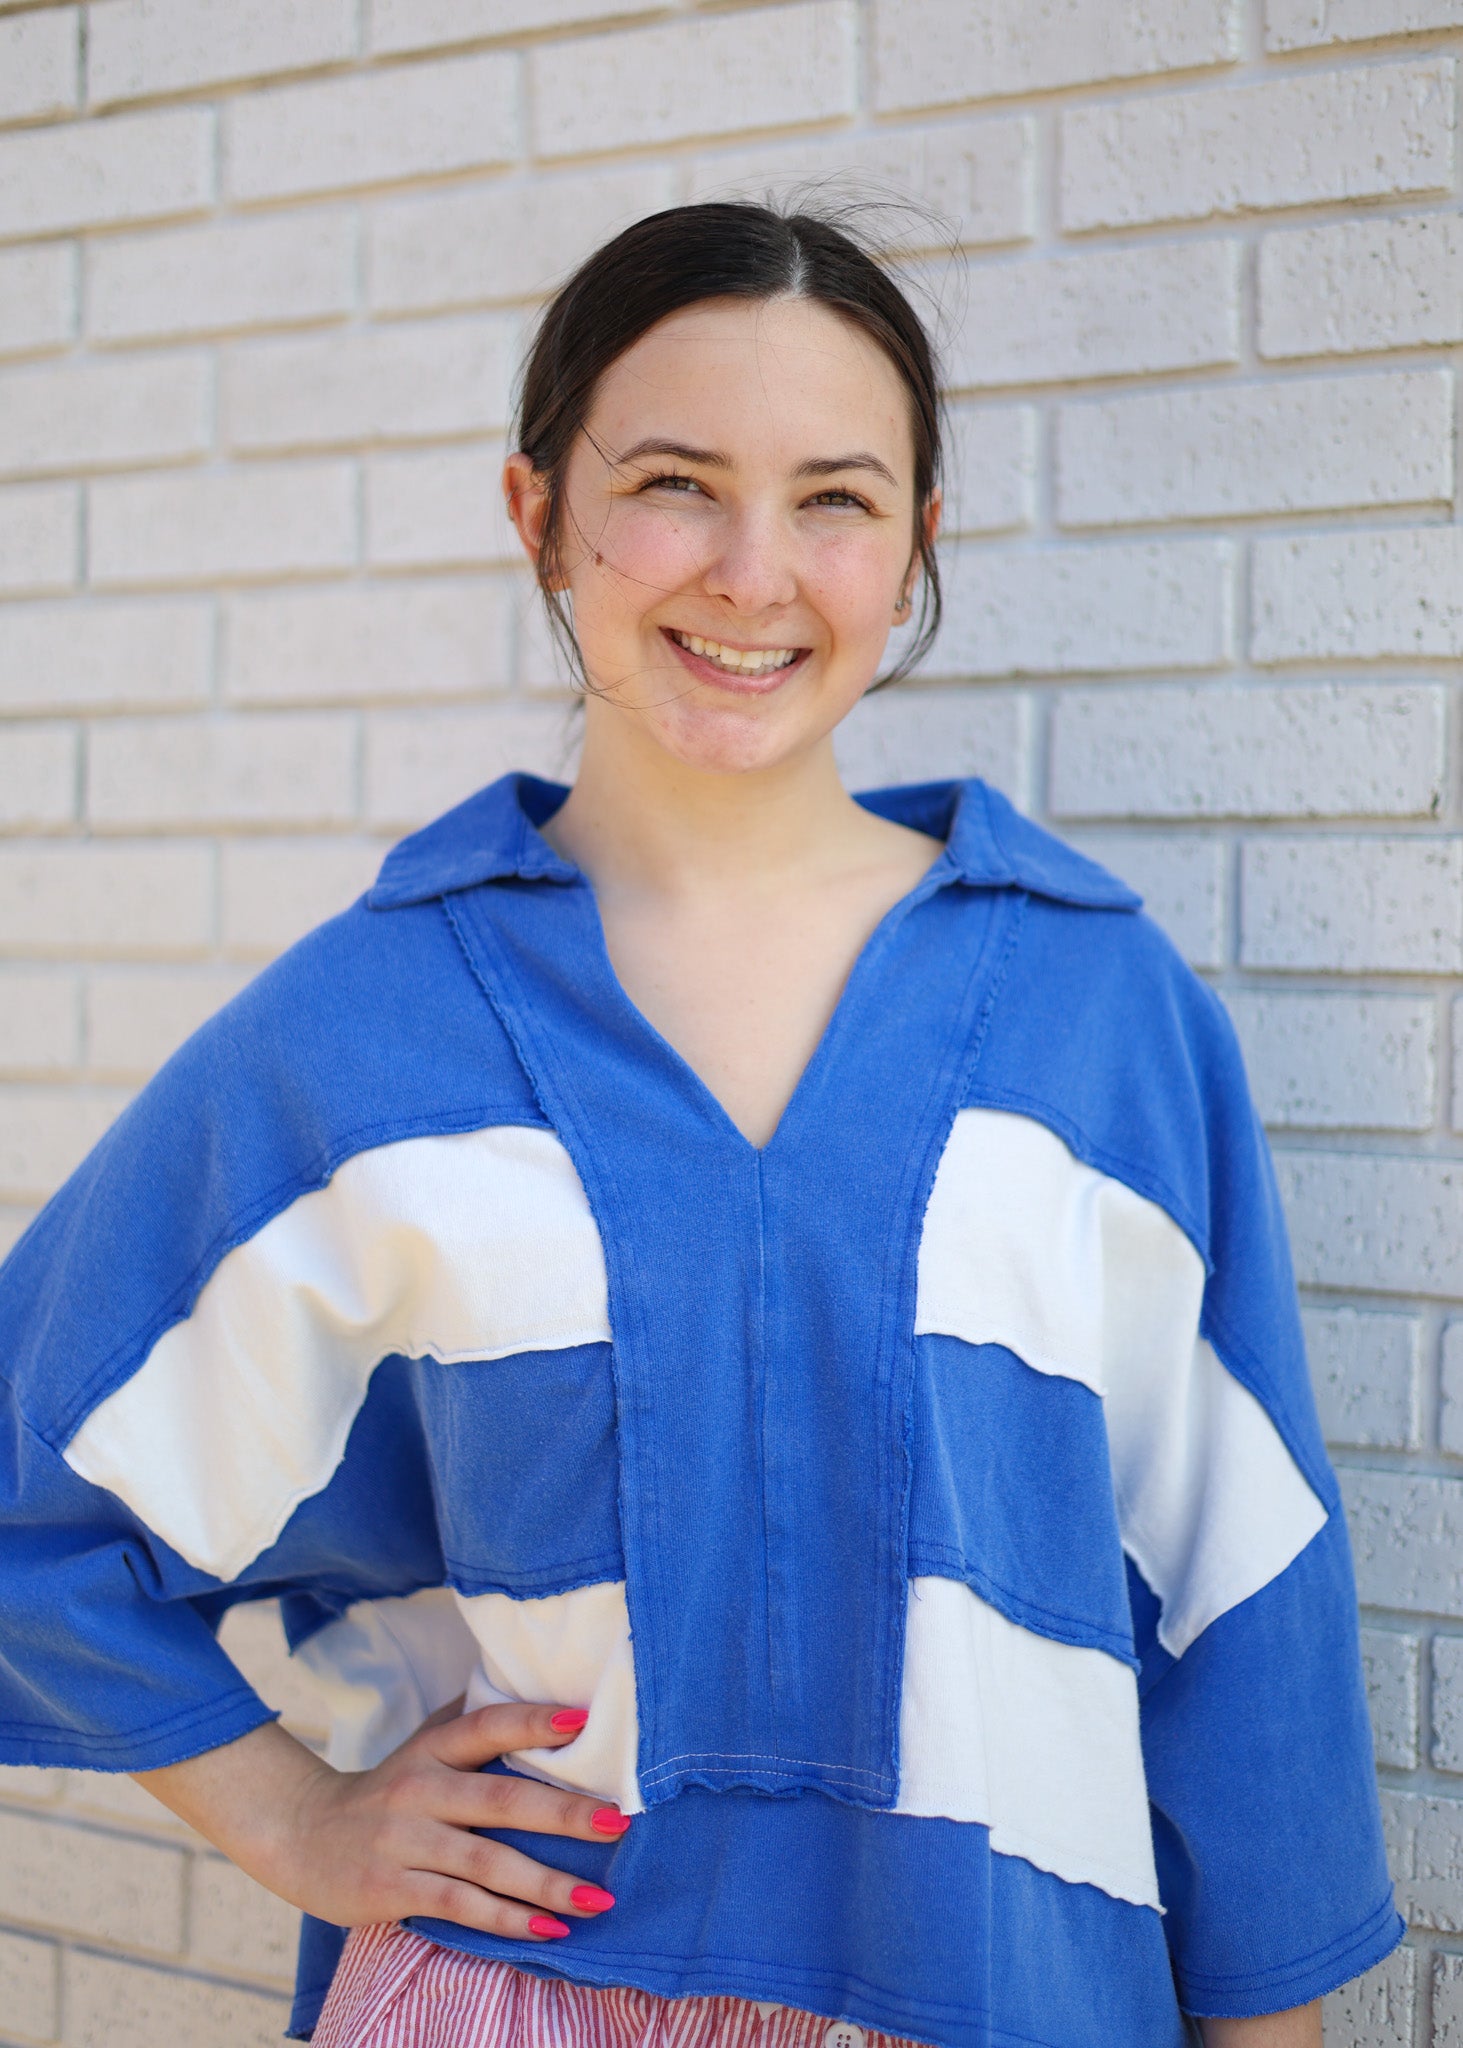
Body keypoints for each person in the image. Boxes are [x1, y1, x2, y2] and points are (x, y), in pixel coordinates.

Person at [0, 203, 1399, 2048]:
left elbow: (1244, 1605)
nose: (754, 572)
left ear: (913, 548)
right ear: (540, 516)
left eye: (836, 498)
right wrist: (297, 1820)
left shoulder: (1098, 1016)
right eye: (674, 481)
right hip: (525, 1993)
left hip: (1008, 1995)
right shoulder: (362, 1031)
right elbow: (37, 1505)